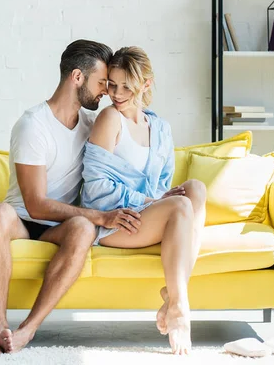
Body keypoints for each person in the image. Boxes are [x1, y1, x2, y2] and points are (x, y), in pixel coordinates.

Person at [0, 40, 143, 354]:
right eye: (101, 83)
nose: (106, 92)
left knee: (83, 228)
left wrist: (158, 196)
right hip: (23, 221)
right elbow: (35, 204)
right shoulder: (33, 125)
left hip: (60, 227)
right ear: (77, 78)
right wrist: (100, 216)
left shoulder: (92, 125)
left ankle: (27, 330)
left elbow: (124, 166)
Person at [81, 47, 207, 355]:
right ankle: (179, 308)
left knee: (196, 189)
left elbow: (163, 185)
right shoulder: (110, 119)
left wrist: (158, 199)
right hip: (116, 220)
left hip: (147, 215)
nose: (117, 94)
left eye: (126, 86)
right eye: (112, 84)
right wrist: (152, 200)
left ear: (146, 85)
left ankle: (172, 296)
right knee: (180, 206)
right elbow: (94, 189)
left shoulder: (161, 129)